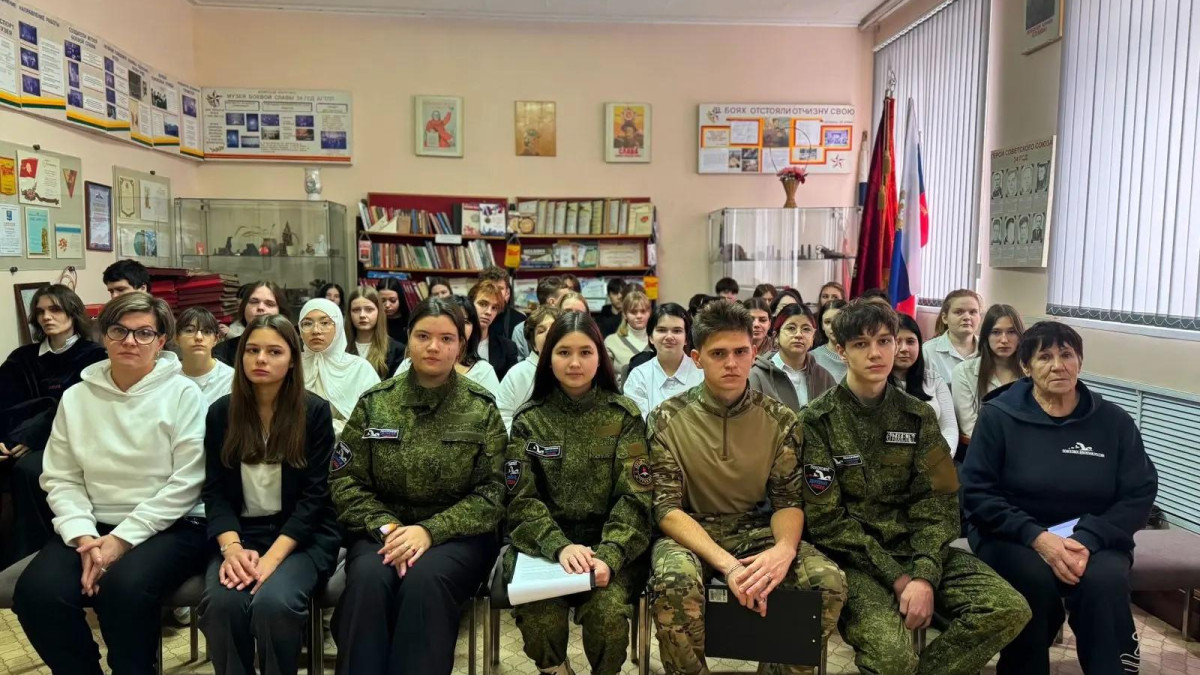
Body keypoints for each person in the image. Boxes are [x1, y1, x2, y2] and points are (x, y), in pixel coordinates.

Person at [799, 299, 1030, 675]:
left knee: (1007, 609)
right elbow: (827, 523)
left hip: (921, 550)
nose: (876, 353)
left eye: (884, 341)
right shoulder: (817, 421)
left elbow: (939, 502)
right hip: (857, 562)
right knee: (892, 659)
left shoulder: (918, 415)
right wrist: (899, 578)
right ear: (840, 351)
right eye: (860, 344)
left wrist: (923, 574)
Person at [13, 292, 209, 675]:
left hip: (171, 526)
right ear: (104, 336)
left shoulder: (184, 394)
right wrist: (83, 536)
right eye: (119, 331)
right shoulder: (77, 397)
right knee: (37, 594)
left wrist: (121, 540)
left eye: (143, 333)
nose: (130, 341)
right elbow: (61, 477)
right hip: (93, 525)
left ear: (161, 341)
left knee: (123, 590)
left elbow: (188, 482)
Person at [649, 300, 847, 675]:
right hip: (690, 530)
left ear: (754, 353)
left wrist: (784, 550)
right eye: (718, 354)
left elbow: (788, 501)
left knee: (827, 583)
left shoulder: (780, 420)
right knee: (673, 583)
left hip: (755, 527)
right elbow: (666, 509)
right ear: (697, 358)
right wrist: (728, 567)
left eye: (741, 352)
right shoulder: (665, 419)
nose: (732, 363)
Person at [961, 322, 1158, 675]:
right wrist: (1039, 538)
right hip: (1012, 534)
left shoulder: (1113, 421)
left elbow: (1138, 492)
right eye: (1045, 357)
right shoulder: (998, 417)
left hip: (1093, 535)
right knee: (1032, 582)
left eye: (1066, 355)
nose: (1058, 366)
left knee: (1105, 582)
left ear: (1080, 361)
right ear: (1026, 366)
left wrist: (1088, 538)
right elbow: (978, 493)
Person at [330, 297, 506, 675]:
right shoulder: (375, 403)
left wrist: (430, 531)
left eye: (446, 339)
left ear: (461, 345)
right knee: (368, 582)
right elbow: (345, 480)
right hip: (382, 532)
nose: (433, 347)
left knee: (424, 583)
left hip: (456, 538)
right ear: (408, 338)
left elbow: (493, 492)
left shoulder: (481, 407)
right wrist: (389, 528)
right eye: (423, 336)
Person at [504, 311, 651, 675]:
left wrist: (610, 555)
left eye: (585, 352)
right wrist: (558, 546)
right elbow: (519, 498)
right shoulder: (529, 420)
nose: (574, 363)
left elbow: (635, 497)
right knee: (540, 619)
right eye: (563, 352)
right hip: (543, 547)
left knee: (608, 617)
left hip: (608, 545)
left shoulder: (623, 416)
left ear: (600, 358)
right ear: (547, 358)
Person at [199, 314, 342, 675]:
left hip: (302, 538)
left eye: (274, 351)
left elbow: (315, 498)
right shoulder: (220, 413)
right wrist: (232, 550)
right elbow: (214, 492)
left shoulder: (314, 412)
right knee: (222, 607)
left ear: (292, 359)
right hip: (242, 536)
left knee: (273, 605)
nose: (261, 359)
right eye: (252, 350)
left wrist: (272, 560)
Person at [0, 284, 106, 566]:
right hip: (15, 440)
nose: (47, 317)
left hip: (67, 440)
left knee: (28, 469)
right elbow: (4, 402)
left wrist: (32, 437)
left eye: (55, 309)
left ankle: (30, 553)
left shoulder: (95, 357)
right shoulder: (22, 358)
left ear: (73, 313)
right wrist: (4, 439)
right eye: (40, 312)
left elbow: (83, 409)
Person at [297, 298, 380, 439]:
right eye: (307, 323)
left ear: (338, 326)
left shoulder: (359, 369)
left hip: (348, 447)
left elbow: (374, 419)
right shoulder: (291, 365)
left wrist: (321, 428)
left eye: (325, 323)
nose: (316, 330)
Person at [395, 296, 502, 396]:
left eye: (465, 321)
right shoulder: (408, 365)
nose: (459, 327)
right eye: (423, 336)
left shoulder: (483, 371)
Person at [952, 304, 1024, 442]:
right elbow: (970, 427)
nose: (1004, 340)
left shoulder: (1031, 372)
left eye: (1011, 332)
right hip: (983, 447)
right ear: (986, 336)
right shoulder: (964, 372)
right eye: (996, 332)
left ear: (1020, 336)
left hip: (1025, 447)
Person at [749, 302, 836, 411]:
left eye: (806, 329)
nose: (798, 334)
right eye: (791, 328)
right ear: (776, 337)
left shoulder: (824, 378)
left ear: (813, 338)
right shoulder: (757, 376)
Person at [622, 303, 702, 420]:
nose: (669, 336)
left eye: (677, 331)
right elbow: (638, 425)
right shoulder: (639, 377)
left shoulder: (702, 373)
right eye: (661, 330)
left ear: (686, 338)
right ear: (651, 337)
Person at [891, 313, 958, 453]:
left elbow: (949, 429)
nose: (904, 348)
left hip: (932, 458)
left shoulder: (934, 380)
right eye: (897, 341)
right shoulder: (874, 383)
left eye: (910, 341)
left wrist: (941, 458)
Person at [496, 305, 559, 431]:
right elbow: (501, 417)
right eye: (541, 331)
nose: (548, 333)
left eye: (554, 328)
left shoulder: (573, 369)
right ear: (534, 345)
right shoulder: (517, 374)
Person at [215, 281, 287, 366]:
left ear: (280, 312)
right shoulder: (221, 352)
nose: (260, 307)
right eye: (254, 302)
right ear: (243, 308)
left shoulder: (293, 348)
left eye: (269, 304)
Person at [177, 307, 235, 405]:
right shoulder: (167, 375)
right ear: (177, 338)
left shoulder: (231, 379)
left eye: (207, 332)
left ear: (216, 339)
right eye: (189, 330)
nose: (198, 337)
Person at [923, 289, 982, 385]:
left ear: (980, 317)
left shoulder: (988, 347)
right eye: (959, 312)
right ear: (945, 318)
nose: (967, 317)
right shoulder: (928, 351)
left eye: (973, 312)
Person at [346, 286, 406, 378]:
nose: (362, 315)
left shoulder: (396, 350)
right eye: (356, 310)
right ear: (349, 314)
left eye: (369, 309)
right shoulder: (341, 348)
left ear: (379, 312)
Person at [469, 280, 520, 381]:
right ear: (470, 304)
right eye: (483, 304)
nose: (489, 312)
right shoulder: (457, 343)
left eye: (494, 308)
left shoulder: (508, 348)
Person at [511, 276, 568, 358]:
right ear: (552, 302)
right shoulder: (520, 330)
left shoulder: (568, 324)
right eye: (564, 298)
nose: (569, 300)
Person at [603, 290, 650, 386]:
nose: (639, 316)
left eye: (643, 311)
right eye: (633, 312)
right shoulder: (611, 342)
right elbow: (605, 378)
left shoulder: (658, 341)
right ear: (625, 314)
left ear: (649, 313)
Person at [479, 265, 526, 341]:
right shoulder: (470, 318)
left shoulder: (520, 321)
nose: (495, 292)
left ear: (507, 293)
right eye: (490, 287)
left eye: (500, 288)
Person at [810, 299, 848, 382]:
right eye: (828, 322)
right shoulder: (811, 358)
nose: (833, 326)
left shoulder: (859, 354)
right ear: (822, 325)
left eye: (839, 320)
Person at [375, 277, 409, 344]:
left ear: (400, 300)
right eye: (382, 301)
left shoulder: (410, 321)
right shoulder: (373, 319)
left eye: (393, 300)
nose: (387, 305)